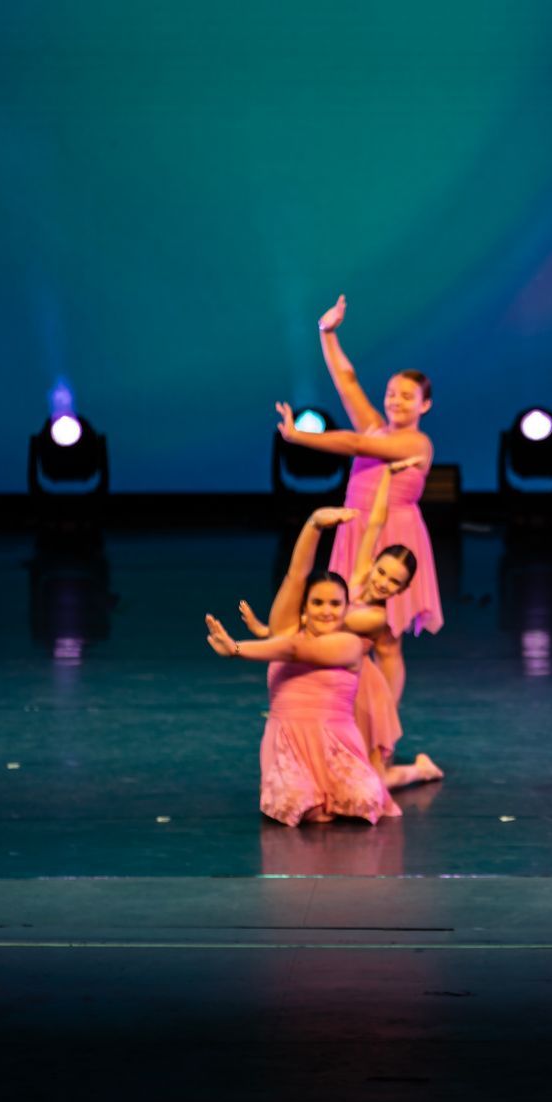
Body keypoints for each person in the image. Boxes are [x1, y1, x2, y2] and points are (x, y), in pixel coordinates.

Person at [239, 459, 443, 790]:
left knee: (373, 779)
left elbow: (322, 628)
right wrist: (387, 479)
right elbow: (375, 525)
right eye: (382, 572)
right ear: (373, 563)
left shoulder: (377, 617)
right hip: (331, 679)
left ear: (403, 591)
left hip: (362, 688)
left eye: (394, 583)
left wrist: (267, 633)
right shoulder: (360, 576)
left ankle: (421, 770)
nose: (383, 583)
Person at [204, 508, 399, 826]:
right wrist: (313, 526)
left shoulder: (348, 644)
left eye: (335, 604)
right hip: (289, 742)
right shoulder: (285, 628)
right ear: (304, 607)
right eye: (317, 603)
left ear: (346, 607)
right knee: (304, 808)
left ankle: (417, 770)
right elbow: (296, 576)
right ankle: (410, 771)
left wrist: (238, 649)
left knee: (363, 800)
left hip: (337, 746)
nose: (326, 611)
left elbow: (297, 650)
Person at [275, 293, 442, 638]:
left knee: (385, 638)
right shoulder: (376, 427)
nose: (396, 401)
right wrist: (327, 332)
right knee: (347, 625)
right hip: (356, 526)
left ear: (425, 405)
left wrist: (297, 436)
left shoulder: (417, 444)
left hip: (392, 531)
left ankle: (385, 695)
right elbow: (347, 382)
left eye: (407, 397)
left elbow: (355, 444)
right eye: (392, 393)